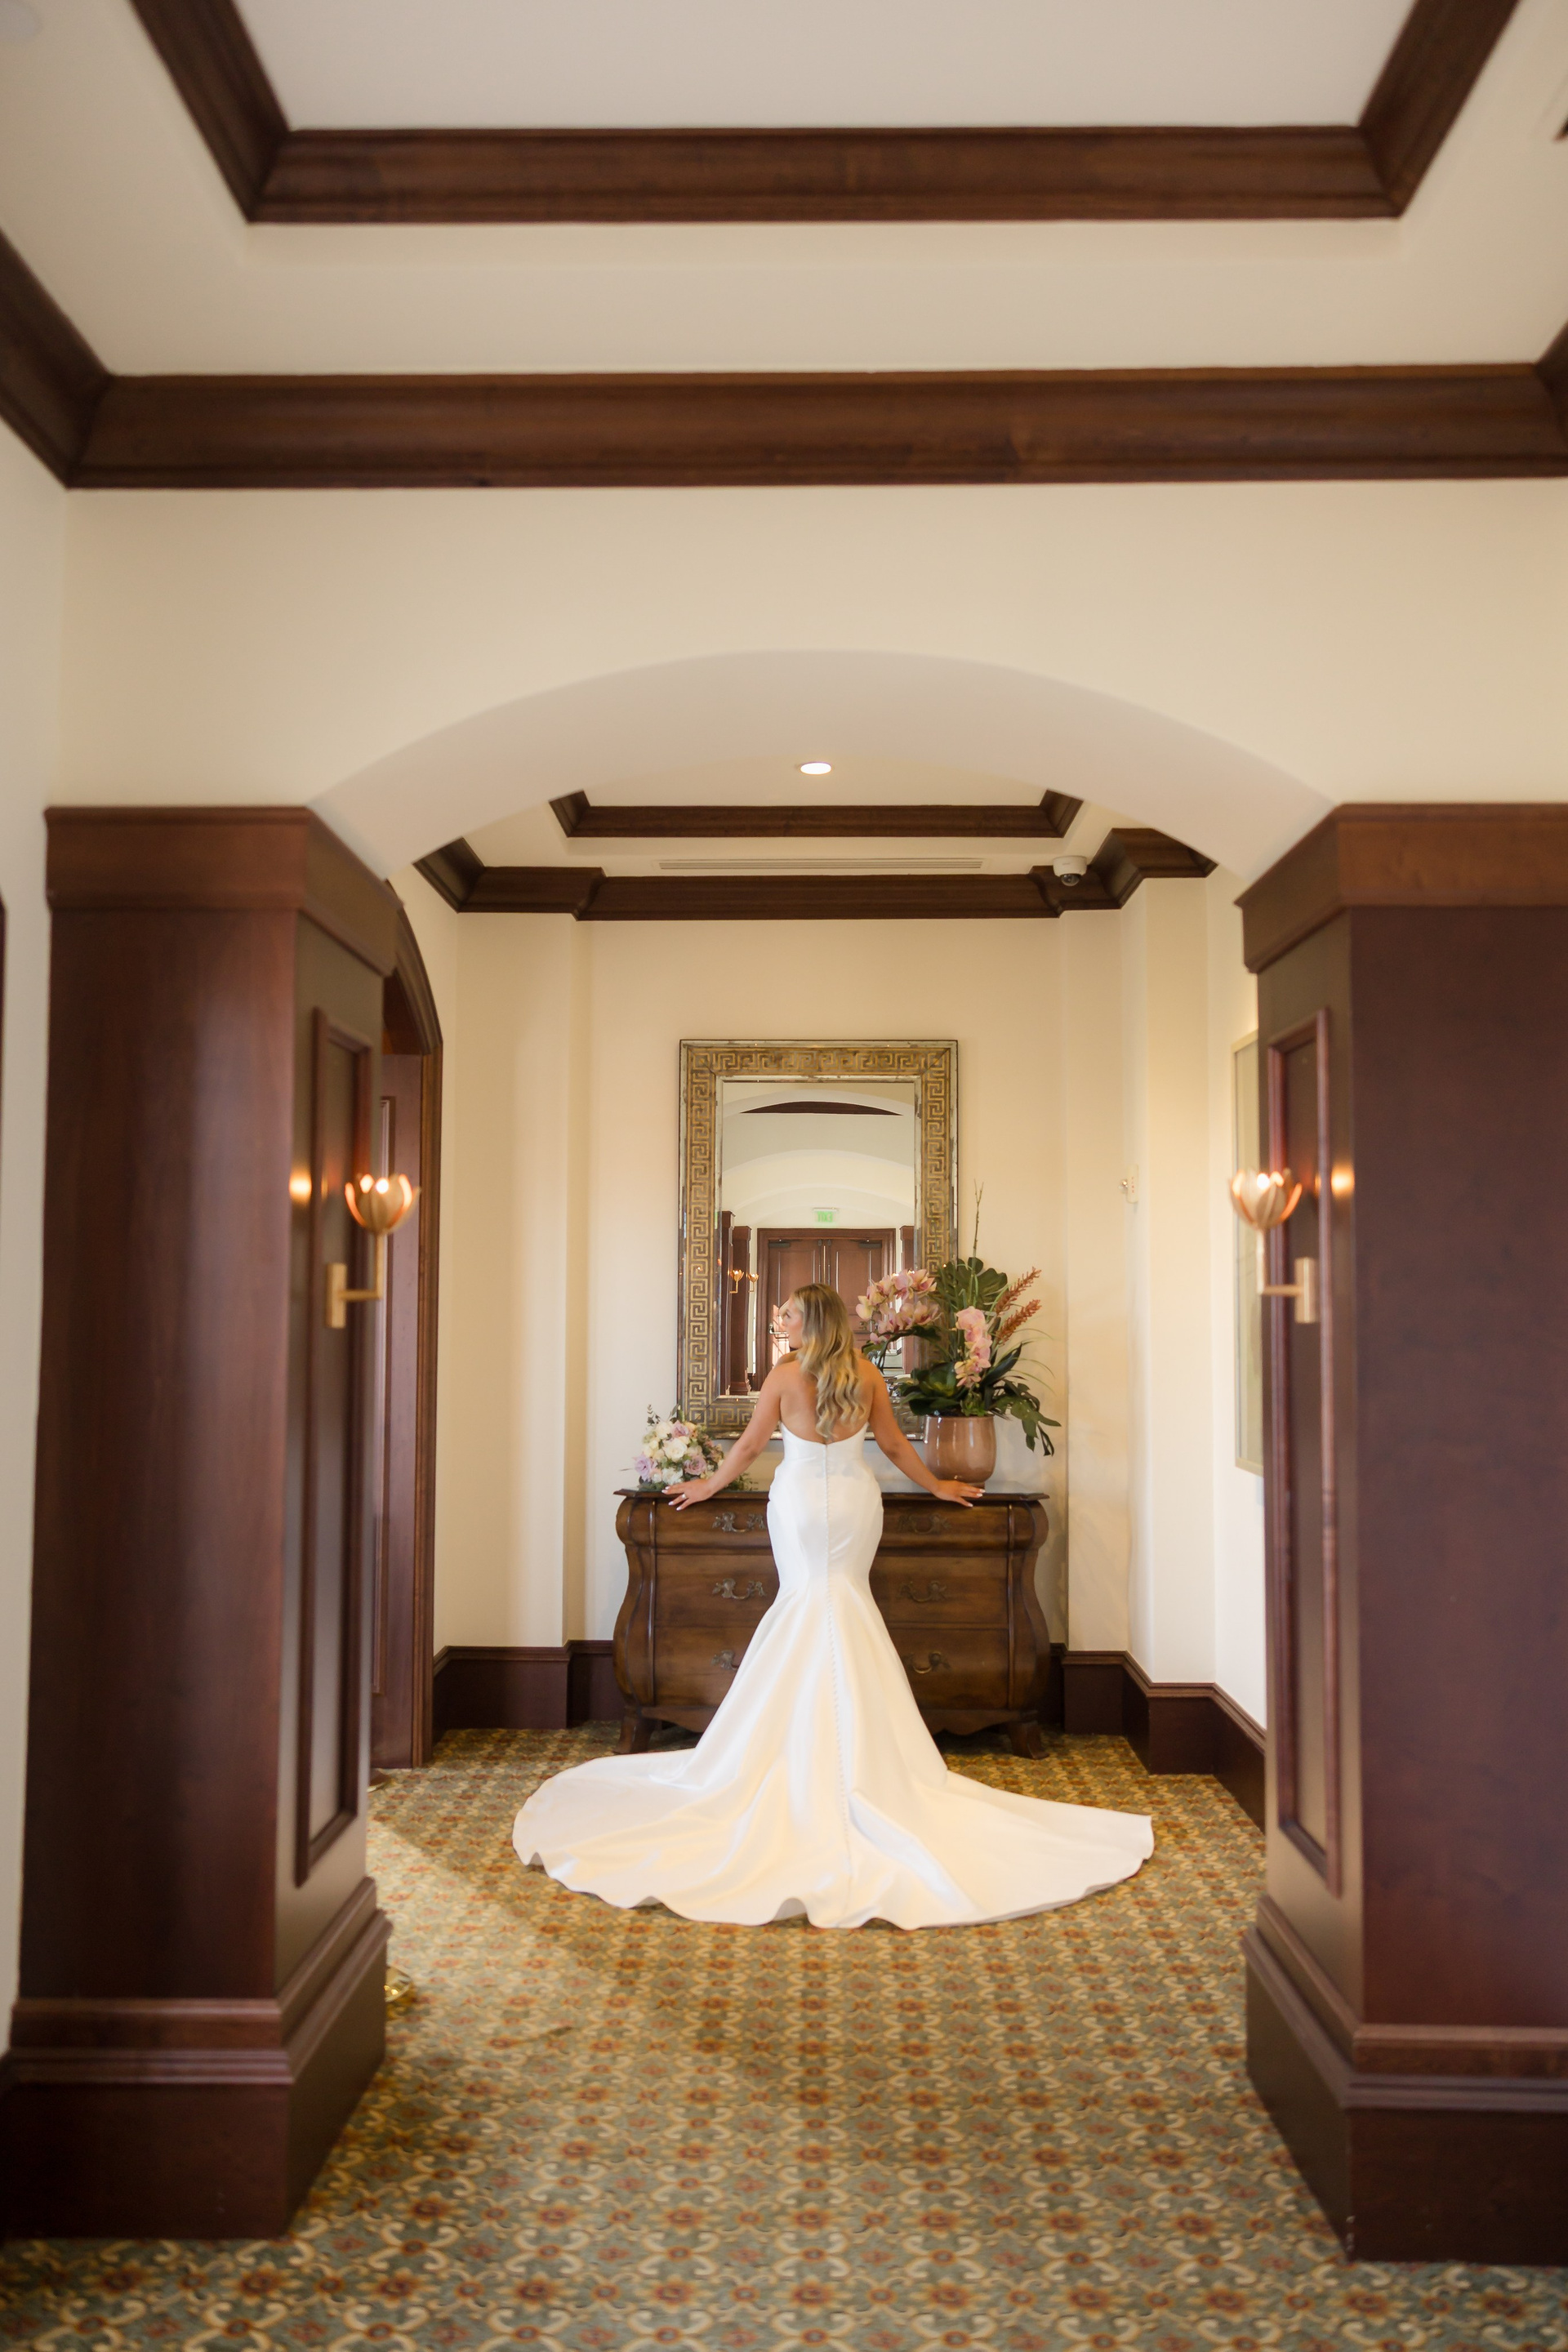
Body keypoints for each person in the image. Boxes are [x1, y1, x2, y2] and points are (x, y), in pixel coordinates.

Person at [513, 1284, 1152, 1927]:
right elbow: (896, 1448)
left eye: (789, 1314)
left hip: (798, 1504)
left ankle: (792, 1753)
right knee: (843, 1605)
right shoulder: (866, 1374)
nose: (782, 1321)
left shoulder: (784, 1376)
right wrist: (938, 1486)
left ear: (809, 1322)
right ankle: (868, 1760)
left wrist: (708, 1486)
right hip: (852, 1503)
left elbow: (748, 1448)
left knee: (806, 1605)